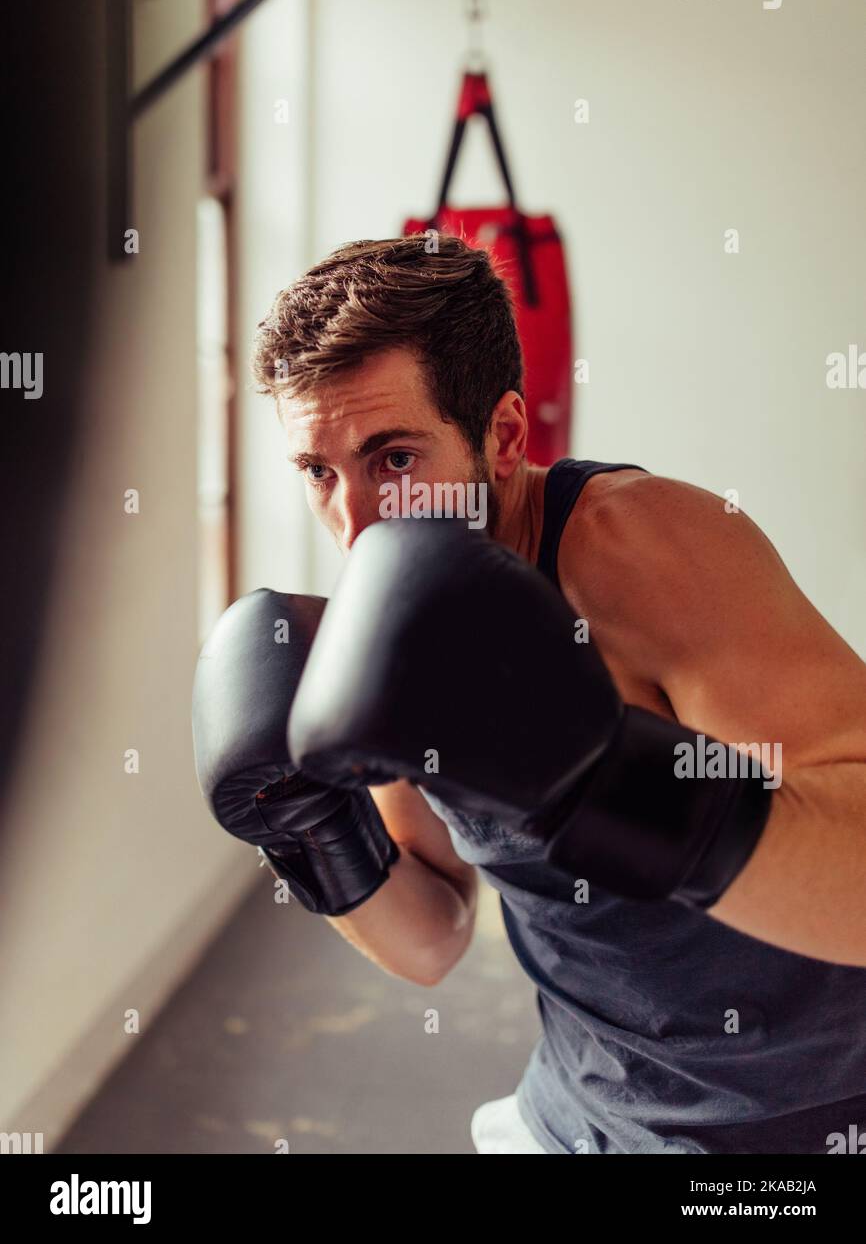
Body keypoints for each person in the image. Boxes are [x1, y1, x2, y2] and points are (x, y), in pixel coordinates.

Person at [196, 234, 866, 1154]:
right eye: (320, 473)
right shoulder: (393, 614)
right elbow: (433, 933)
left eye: (394, 460)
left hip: (801, 1125)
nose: (353, 526)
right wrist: (310, 838)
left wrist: (604, 785)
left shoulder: (654, 555)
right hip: (581, 1111)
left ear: (504, 435)